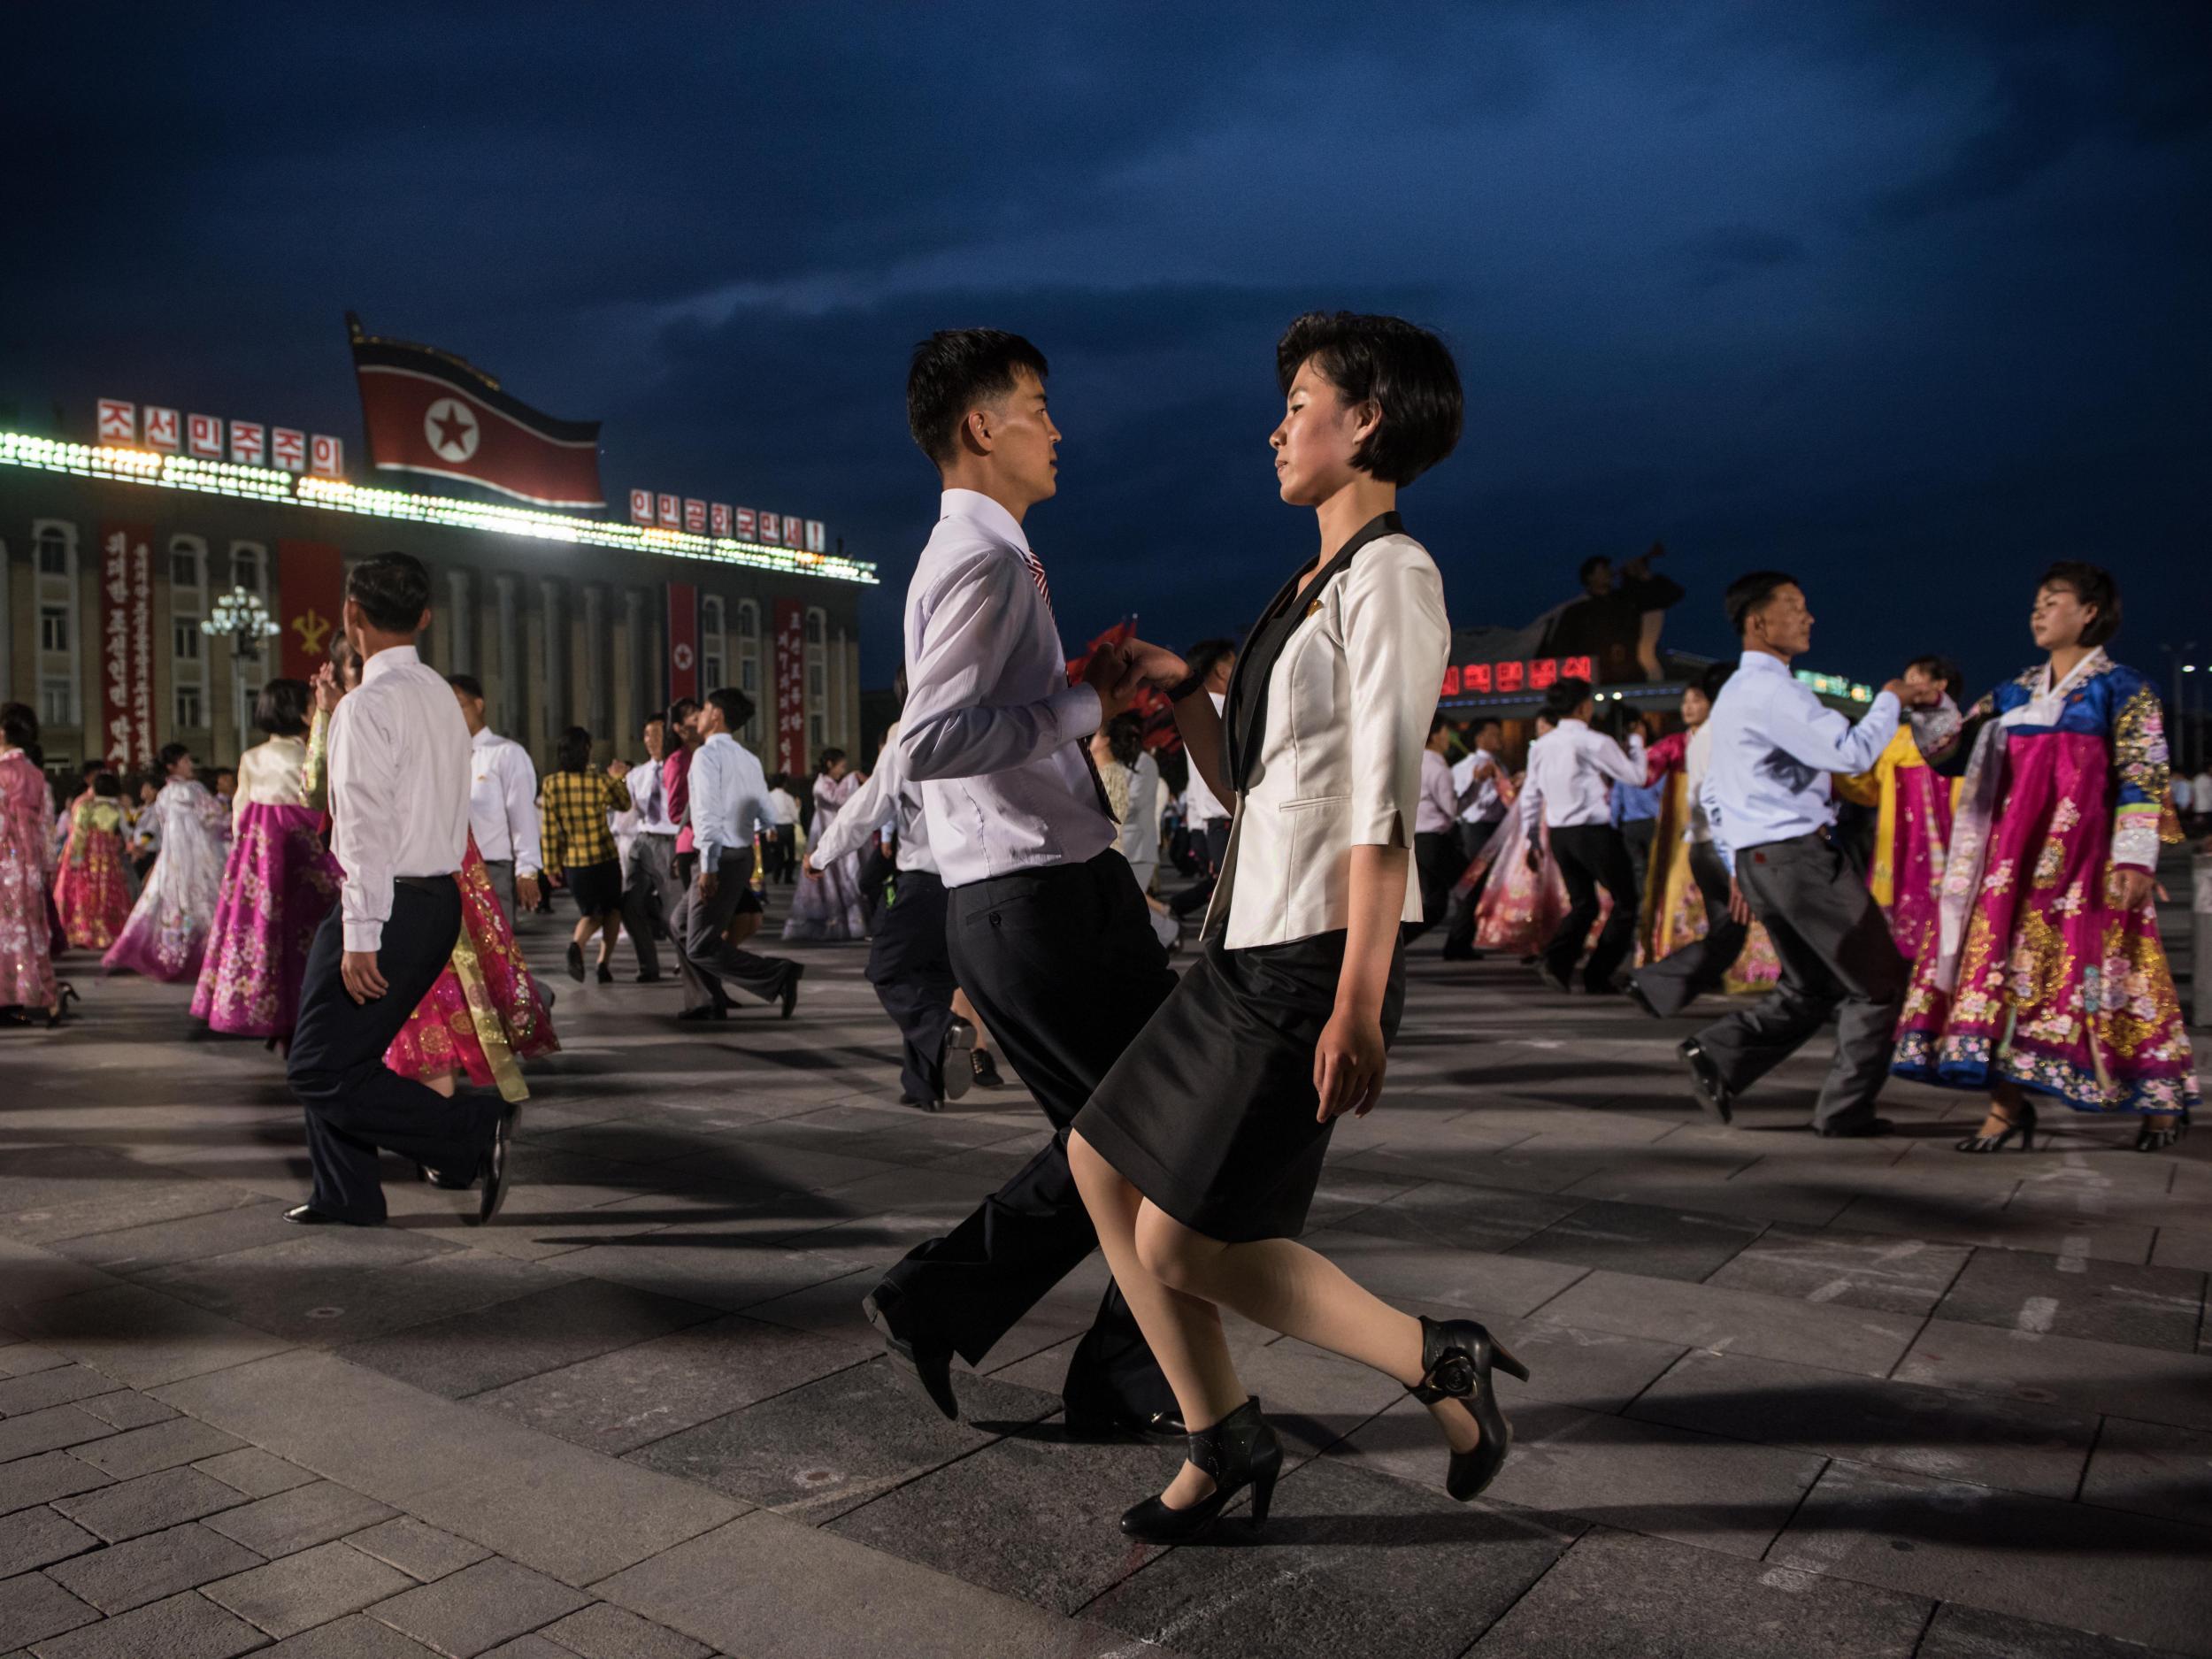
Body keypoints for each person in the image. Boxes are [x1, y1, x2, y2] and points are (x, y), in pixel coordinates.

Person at [1070, 310, 1526, 1544]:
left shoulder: (1395, 576)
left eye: (1300, 402)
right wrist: (1178, 698)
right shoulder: (1308, 583)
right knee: (1097, 1158)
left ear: (1365, 419)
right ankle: (1222, 1431)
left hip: (1315, 951)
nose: (1277, 428)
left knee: (1187, 1237)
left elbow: (1380, 806)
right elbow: (1254, 783)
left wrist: (1362, 1002)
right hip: (1242, 936)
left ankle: (1436, 1355)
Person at [862, 326, 1179, 1439]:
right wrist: (1088, 706)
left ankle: (956, 1309)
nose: (1058, 429)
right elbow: (932, 738)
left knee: (1133, 1141)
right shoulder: (985, 561)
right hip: (1035, 901)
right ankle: (1106, 1375)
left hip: (1040, 893)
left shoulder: (986, 558)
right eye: (1038, 406)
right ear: (979, 427)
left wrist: (1080, 686)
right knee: (1175, 1134)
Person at [1895, 563, 2196, 1152]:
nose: (2038, 611)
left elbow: (2145, 774)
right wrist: (1930, 706)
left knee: (2119, 976)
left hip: (2089, 866)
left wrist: (2136, 860)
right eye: (2036, 601)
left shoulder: (2124, 689)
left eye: (2053, 600)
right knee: (2009, 977)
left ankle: (2161, 1101)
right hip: (2014, 869)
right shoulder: (2011, 692)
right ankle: (2007, 1108)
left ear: (2091, 611)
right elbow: (1950, 753)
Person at [284, 552, 514, 1228]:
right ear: (424, 616)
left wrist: (360, 934)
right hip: (434, 898)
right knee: (339, 1051)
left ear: (351, 615)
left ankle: (474, 1127)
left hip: (390, 902)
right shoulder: (443, 695)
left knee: (316, 1067)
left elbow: (362, 828)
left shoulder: (366, 706)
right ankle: (346, 1192)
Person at [1679, 572, 1908, 1136]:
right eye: (1795, 607)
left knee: (1814, 985)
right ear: (1758, 623)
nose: (1809, 618)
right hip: (1797, 859)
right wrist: (1890, 701)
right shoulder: (1773, 689)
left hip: (1762, 861)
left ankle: (1719, 1054)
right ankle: (1845, 1110)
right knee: (1879, 983)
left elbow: (1713, 791)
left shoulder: (1733, 692)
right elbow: (1850, 753)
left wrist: (1738, 859)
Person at [311, 655, 559, 1113]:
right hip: (415, 876)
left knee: (449, 996)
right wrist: (326, 720)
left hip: (456, 873)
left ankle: (447, 1131)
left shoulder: (497, 750)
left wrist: (529, 868)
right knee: (430, 1004)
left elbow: (523, 815)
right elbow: (319, 793)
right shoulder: (372, 713)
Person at [808, 699, 968, 1107]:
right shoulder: (978, 727)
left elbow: (866, 807)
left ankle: (943, 1029)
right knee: (929, 984)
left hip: (923, 882)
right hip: (966, 885)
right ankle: (922, 1087)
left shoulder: (907, 736)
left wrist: (821, 853)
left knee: (887, 970)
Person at [191, 679, 343, 1041]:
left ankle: (271, 1013)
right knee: (311, 938)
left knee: (265, 937)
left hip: (262, 863)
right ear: (301, 712)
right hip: (309, 856)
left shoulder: (252, 757)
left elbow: (240, 813)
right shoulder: (312, 752)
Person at [1625, 664, 1780, 1017]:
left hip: (1704, 846)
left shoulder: (1699, 738)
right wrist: (1737, 860)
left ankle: (1656, 984)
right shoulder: (1726, 735)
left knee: (1728, 933)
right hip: (1725, 845)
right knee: (1773, 917)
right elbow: (1724, 800)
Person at [672, 687, 804, 1021]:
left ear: (716, 715)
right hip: (740, 854)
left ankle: (778, 974)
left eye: (703, 709)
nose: (698, 716)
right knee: (679, 924)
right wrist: (746, 825)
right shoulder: (749, 758)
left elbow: (706, 815)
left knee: (699, 944)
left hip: (719, 858)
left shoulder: (706, 756)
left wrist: (708, 866)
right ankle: (708, 998)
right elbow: (767, 815)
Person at [1832, 653, 1962, 964]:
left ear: (1940, 685)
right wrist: (1840, 770)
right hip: (1898, 846)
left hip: (1947, 843)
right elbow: (1869, 792)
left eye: (1915, 678)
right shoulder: (1894, 739)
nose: (1907, 686)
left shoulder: (1959, 734)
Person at [1520, 678, 1646, 994]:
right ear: (1583, 706)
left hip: (1560, 834)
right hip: (1593, 831)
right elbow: (1636, 776)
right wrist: (1637, 745)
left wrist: (1532, 838)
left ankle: (1556, 961)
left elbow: (1531, 794)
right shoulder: (1594, 741)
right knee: (1626, 901)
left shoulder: (1544, 745)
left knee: (1583, 904)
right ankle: (1597, 973)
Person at [104, 742, 228, 981]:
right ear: (172, 766)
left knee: (162, 901)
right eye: (186, 761)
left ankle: (169, 951)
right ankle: (206, 956)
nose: (190, 765)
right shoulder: (194, 789)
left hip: (172, 859)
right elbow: (213, 819)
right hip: (198, 857)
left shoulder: (163, 795)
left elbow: (163, 827)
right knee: (205, 899)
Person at [538, 725, 633, 984]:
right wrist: (617, 778)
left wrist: (550, 867)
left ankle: (577, 945)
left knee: (590, 913)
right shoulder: (598, 781)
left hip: (575, 862)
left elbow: (549, 831)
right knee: (613, 910)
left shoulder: (551, 784)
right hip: (604, 857)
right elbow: (624, 804)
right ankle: (603, 963)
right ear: (586, 751)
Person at [449, 674, 542, 921]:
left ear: (478, 705)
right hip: (451, 873)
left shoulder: (506, 754)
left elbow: (522, 815)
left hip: (492, 870)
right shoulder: (446, 759)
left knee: (497, 954)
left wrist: (527, 870)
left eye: (459, 705)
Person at [1164, 640, 1238, 919]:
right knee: (1238, 909)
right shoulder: (1226, 711)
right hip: (1231, 821)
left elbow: (1196, 781)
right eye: (1233, 664)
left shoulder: (1193, 714)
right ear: (1221, 670)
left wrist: (1197, 826)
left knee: (1230, 905)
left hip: (1215, 825)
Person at [0, 704, 61, 1026]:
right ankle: (39, 994)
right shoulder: (36, 775)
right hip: (29, 869)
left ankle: (7, 1001)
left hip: (3, 864)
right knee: (29, 932)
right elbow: (48, 828)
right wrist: (47, 868)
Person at [1548, 546, 1685, 684]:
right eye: (1603, 569)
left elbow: (1673, 594)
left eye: (1608, 568)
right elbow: (1559, 650)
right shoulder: (1576, 611)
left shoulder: (1627, 601)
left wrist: (1644, 575)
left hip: (1631, 676)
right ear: (1590, 577)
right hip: (1592, 681)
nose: (1609, 572)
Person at [617, 711, 682, 981]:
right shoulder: (636, 775)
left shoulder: (680, 769)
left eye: (658, 734)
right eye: (647, 735)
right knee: (630, 904)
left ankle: (687, 962)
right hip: (642, 841)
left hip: (672, 841)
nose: (652, 740)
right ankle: (648, 966)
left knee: (674, 910)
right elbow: (628, 813)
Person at [782, 749, 868, 940]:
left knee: (844, 877)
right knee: (826, 881)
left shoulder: (830, 783)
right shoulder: (821, 784)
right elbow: (838, 799)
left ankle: (844, 923)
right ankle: (828, 923)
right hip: (823, 833)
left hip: (835, 832)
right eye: (841, 766)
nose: (843, 771)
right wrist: (852, 779)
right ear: (830, 764)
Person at [1440, 717, 1506, 959]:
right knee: (1473, 885)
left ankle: (1463, 941)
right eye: (1494, 733)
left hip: (1491, 828)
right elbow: (1460, 799)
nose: (1499, 738)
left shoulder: (1496, 763)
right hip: (1476, 829)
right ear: (1479, 738)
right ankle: (1458, 942)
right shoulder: (1469, 765)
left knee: (1480, 886)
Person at [53, 772, 133, 954]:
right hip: (107, 857)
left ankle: (83, 931)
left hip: (87, 856)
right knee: (107, 891)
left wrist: (74, 859)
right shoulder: (117, 808)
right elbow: (127, 832)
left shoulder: (86, 806)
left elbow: (79, 833)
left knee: (83, 892)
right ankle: (108, 930)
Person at [1609, 707, 1664, 897]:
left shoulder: (1623, 762)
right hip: (1651, 822)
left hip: (1630, 825)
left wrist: (1614, 822)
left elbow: (1617, 796)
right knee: (1655, 866)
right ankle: (1653, 903)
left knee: (1638, 868)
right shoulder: (1655, 759)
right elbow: (1662, 792)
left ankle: (1643, 902)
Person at [764, 773, 801, 883]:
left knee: (777, 854)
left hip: (774, 827)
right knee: (790, 854)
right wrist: (798, 807)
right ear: (784, 783)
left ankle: (776, 876)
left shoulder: (769, 796)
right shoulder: (788, 798)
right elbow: (795, 816)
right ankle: (788, 878)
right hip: (788, 828)